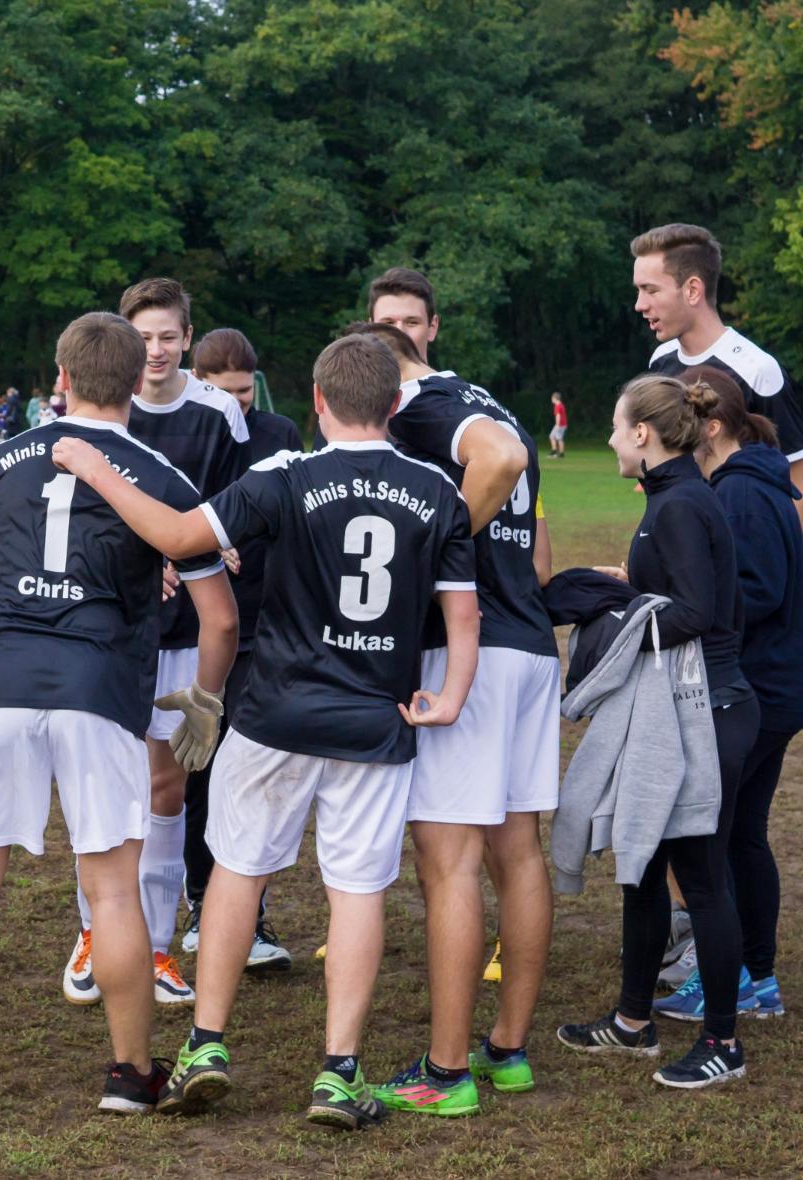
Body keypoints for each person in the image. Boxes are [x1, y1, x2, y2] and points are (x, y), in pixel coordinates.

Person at [50, 331, 480, 1131]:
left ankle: (206, 1043)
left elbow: (180, 538)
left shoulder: (285, 475)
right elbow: (462, 613)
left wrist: (95, 467)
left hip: (275, 712)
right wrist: (450, 696)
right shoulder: (437, 490)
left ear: (316, 402)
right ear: (394, 405)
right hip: (375, 723)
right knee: (356, 891)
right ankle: (337, 1072)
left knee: (239, 872)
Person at [0, 312, 236, 1124]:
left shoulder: (5, 457)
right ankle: (128, 1073)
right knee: (112, 892)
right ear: (134, 382)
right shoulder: (160, 471)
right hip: (100, 693)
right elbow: (219, 620)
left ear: (62, 377)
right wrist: (206, 700)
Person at [363, 270, 556, 1115]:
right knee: (518, 851)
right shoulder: (491, 400)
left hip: (466, 654)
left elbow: (504, 463)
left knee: (449, 862)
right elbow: (535, 534)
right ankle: (507, 1052)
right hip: (528, 644)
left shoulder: (423, 406)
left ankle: (445, 1076)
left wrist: (426, 556)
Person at [555, 374, 757, 1091]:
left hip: (711, 709)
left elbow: (697, 612)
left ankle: (723, 1043)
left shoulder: (676, 504)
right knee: (641, 865)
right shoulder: (672, 499)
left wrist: (616, 628)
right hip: (687, 706)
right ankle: (632, 1020)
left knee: (702, 879)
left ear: (643, 434)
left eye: (615, 427)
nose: (609, 439)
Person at [59, 277, 248, 1011]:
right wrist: (152, 558)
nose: (157, 350)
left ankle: (160, 945)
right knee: (102, 786)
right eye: (144, 337)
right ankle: (93, 937)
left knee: (166, 786)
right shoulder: (100, 411)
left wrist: (192, 554)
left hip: (181, 629)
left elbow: (231, 520)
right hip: (106, 626)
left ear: (188, 340)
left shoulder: (216, 417)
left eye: (170, 336)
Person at [666, 365, 803, 1026]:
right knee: (743, 834)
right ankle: (758, 978)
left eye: (681, 423)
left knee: (718, 836)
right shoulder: (753, 481)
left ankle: (728, 977)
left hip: (765, 688)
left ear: (712, 425)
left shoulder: (740, 494)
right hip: (782, 684)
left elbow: (754, 592)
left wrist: (677, 605)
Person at [180, 328, 301, 969]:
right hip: (201, 626)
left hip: (267, 627)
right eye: (224, 390)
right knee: (201, 767)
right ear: (199, 381)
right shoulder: (187, 431)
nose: (238, 402)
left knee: (254, 774)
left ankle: (250, 916)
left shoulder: (279, 435)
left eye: (245, 390)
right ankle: (202, 903)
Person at [631, 225, 803, 535]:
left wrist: (783, 572)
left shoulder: (757, 370)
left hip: (741, 561)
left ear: (692, 290)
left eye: (650, 290)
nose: (640, 304)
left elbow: (802, 486)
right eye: (638, 291)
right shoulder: (660, 363)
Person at [548, 392, 568, 458]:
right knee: (554, 437)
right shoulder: (561, 405)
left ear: (555, 398)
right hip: (562, 424)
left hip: (559, 425)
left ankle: (559, 453)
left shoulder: (558, 406)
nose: (551, 399)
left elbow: (558, 416)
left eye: (552, 398)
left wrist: (557, 425)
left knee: (557, 438)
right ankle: (555, 451)